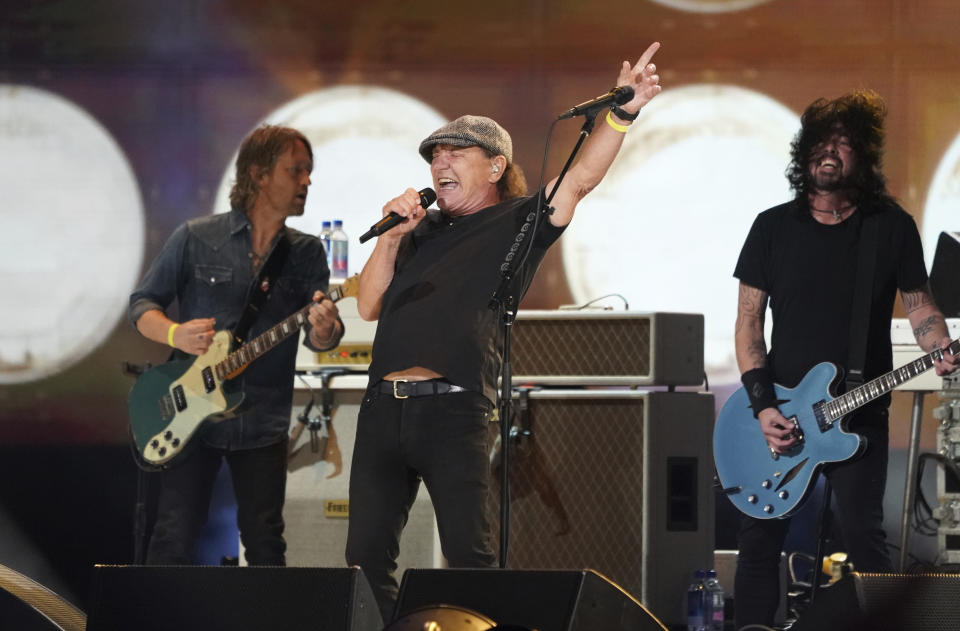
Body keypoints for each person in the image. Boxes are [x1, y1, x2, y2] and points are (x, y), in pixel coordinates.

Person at [344, 43, 663, 621]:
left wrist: (623, 111)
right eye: (434, 155)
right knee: (365, 556)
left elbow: (580, 179)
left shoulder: (514, 222)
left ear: (494, 165)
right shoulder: (416, 233)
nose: (440, 163)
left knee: (470, 555)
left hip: (454, 409)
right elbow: (367, 306)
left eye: (456, 152)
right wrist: (391, 235)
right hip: (382, 409)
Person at [732, 90, 959, 628]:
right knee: (761, 535)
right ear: (803, 153)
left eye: (844, 142)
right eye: (820, 142)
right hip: (781, 410)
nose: (829, 152)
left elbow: (921, 307)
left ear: (864, 154)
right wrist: (764, 406)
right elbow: (747, 322)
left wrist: (940, 349)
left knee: (863, 536)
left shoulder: (890, 227)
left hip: (861, 412)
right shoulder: (772, 227)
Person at [128, 124, 343, 565]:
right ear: (259, 175)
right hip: (190, 419)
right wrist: (176, 333)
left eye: (309, 171)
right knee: (172, 537)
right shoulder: (196, 236)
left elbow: (322, 338)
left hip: (262, 420)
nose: (307, 181)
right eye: (296, 170)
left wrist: (325, 329)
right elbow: (142, 305)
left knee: (265, 544)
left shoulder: (307, 254)